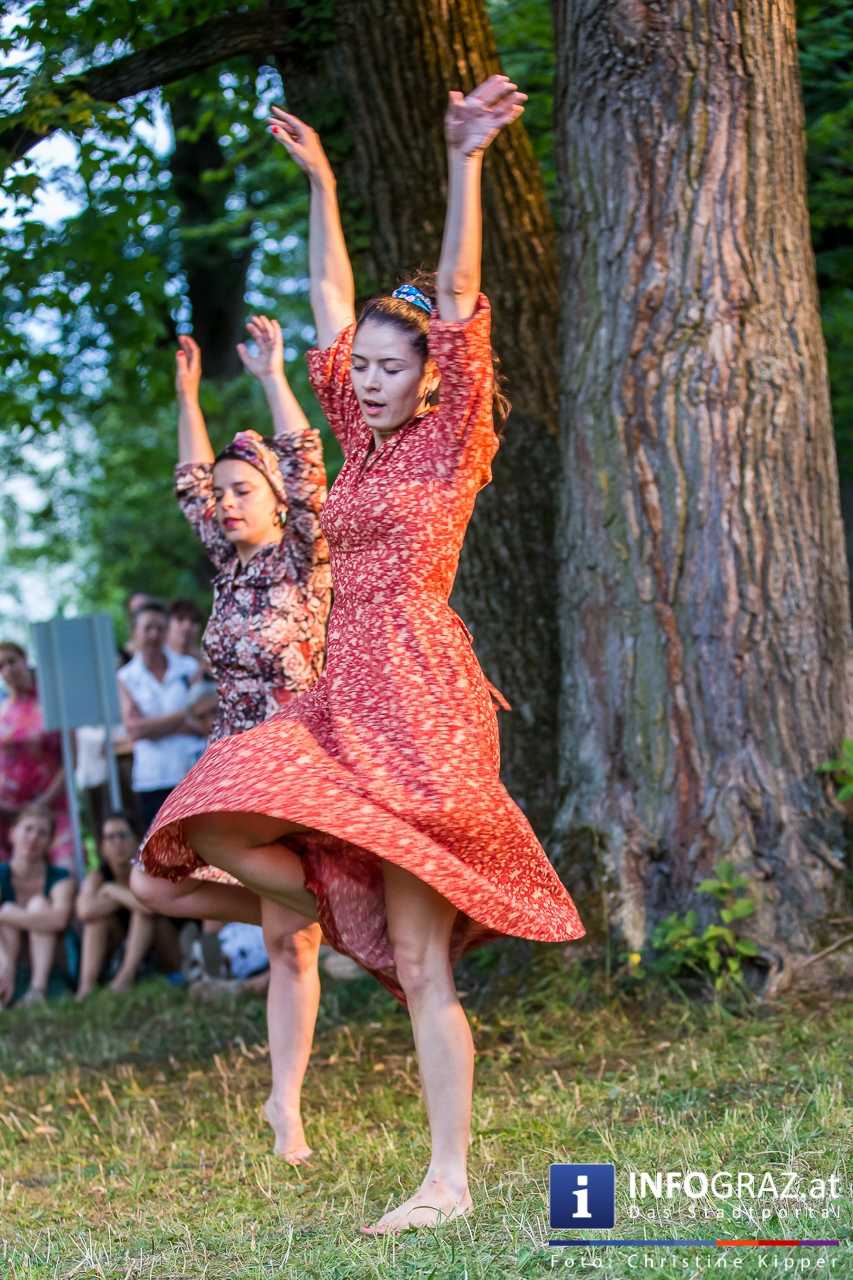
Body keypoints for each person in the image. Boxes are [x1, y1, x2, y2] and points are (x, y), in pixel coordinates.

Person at [133, 75, 585, 1234]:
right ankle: (343, 902)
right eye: (364, 371)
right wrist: (323, 182)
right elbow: (332, 299)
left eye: (392, 368)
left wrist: (464, 161)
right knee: (217, 810)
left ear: (431, 374)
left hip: (420, 693)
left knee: (427, 966)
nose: (370, 380)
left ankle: (446, 1176)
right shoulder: (363, 450)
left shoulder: (449, 444)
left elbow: (459, 291)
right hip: (339, 695)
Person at [131, 313, 335, 1160]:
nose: (222, 501)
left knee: (291, 952)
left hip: (298, 759)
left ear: (277, 500)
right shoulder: (230, 564)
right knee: (153, 886)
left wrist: (271, 376)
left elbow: (308, 464)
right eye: (221, 494)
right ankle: (324, 905)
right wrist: (186, 393)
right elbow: (188, 481)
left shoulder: (306, 554)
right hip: (230, 760)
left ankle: (283, 1107)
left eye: (240, 489)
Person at [117, 601, 207, 831]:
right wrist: (185, 716)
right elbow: (135, 729)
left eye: (160, 628)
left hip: (193, 772)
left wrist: (154, 727)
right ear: (134, 632)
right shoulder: (126, 677)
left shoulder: (188, 667)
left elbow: (207, 720)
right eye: (147, 628)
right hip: (152, 778)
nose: (154, 635)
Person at [75, 811, 179, 999]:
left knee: (143, 913)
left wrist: (112, 891)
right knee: (95, 921)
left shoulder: (149, 870)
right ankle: (85, 988)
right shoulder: (98, 876)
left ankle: (125, 979)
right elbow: (84, 911)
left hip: (163, 950)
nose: (117, 843)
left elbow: (149, 907)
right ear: (102, 847)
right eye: (110, 838)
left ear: (137, 840)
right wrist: (121, 895)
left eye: (122, 835)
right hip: (119, 946)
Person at [0, 641, 74, 869]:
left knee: (64, 869)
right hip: (8, 813)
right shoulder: (2, 710)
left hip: (51, 807)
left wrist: (42, 802)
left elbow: (71, 759)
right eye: (1, 666)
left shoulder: (52, 703)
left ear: (25, 660)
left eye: (12, 661)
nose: (8, 670)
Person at [0, 806, 75, 1007]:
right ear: (12, 834)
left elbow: (59, 919)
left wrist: (7, 914)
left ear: (50, 842)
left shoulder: (60, 877)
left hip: (50, 961)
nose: (33, 838)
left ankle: (37, 990)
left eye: (42, 833)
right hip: (7, 958)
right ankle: (6, 984)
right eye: (28, 829)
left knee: (37, 905)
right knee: (7, 914)